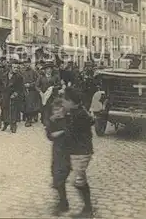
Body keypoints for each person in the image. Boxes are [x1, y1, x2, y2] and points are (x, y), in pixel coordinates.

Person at [62, 87, 95, 218]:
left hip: (81, 152)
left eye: (65, 100)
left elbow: (69, 133)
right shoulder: (78, 112)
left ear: (72, 102)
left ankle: (88, 210)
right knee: (80, 179)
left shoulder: (78, 115)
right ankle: (88, 208)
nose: (63, 103)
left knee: (77, 180)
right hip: (79, 151)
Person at [46, 97, 71, 216]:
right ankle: (63, 202)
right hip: (57, 151)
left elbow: (72, 133)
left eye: (59, 109)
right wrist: (61, 131)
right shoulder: (52, 121)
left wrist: (60, 132)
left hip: (67, 152)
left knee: (60, 176)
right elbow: (50, 136)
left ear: (64, 109)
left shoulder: (69, 119)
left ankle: (62, 204)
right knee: (56, 175)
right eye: (55, 110)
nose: (57, 112)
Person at [0, 59, 24, 133]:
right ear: (10, 68)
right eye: (14, 67)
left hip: (14, 96)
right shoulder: (4, 75)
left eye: (17, 67)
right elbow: (1, 85)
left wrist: (15, 94)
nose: (16, 69)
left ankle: (13, 125)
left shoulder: (19, 77)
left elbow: (20, 88)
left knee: (13, 110)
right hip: (5, 95)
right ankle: (5, 123)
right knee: (5, 109)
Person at [37, 62, 62, 127]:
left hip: (53, 96)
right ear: (45, 70)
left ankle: (52, 122)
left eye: (50, 69)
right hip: (44, 96)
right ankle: (45, 121)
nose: (49, 70)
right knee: (45, 109)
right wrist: (40, 92)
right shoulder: (41, 77)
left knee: (52, 109)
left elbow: (59, 85)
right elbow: (37, 86)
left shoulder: (55, 77)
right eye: (47, 69)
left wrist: (53, 87)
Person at [21, 58, 41, 127]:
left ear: (30, 63)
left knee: (30, 105)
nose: (26, 64)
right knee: (24, 105)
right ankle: (29, 116)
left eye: (28, 63)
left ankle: (29, 120)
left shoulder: (34, 71)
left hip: (32, 91)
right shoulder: (21, 71)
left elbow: (38, 81)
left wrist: (30, 84)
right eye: (25, 63)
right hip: (23, 90)